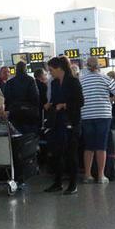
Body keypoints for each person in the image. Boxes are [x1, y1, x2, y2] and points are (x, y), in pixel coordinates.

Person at [43, 56, 83, 194]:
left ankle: (73, 184)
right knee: (56, 153)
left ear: (59, 68)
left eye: (51, 70)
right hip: (57, 122)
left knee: (71, 154)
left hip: (71, 121)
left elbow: (80, 102)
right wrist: (51, 104)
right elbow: (55, 99)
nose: (50, 72)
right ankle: (58, 182)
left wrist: (64, 105)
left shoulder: (73, 82)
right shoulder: (54, 84)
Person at [80, 57, 115, 184]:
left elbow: (78, 97)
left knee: (88, 146)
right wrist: (109, 100)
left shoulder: (82, 80)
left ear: (86, 66)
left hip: (87, 115)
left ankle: (87, 175)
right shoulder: (105, 78)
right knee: (101, 146)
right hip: (103, 115)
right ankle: (101, 175)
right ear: (99, 66)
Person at [3, 61, 40, 135]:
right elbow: (35, 97)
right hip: (28, 114)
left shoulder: (9, 82)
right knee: (30, 137)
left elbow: (6, 99)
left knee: (17, 136)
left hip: (14, 113)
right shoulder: (30, 80)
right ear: (25, 69)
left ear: (16, 69)